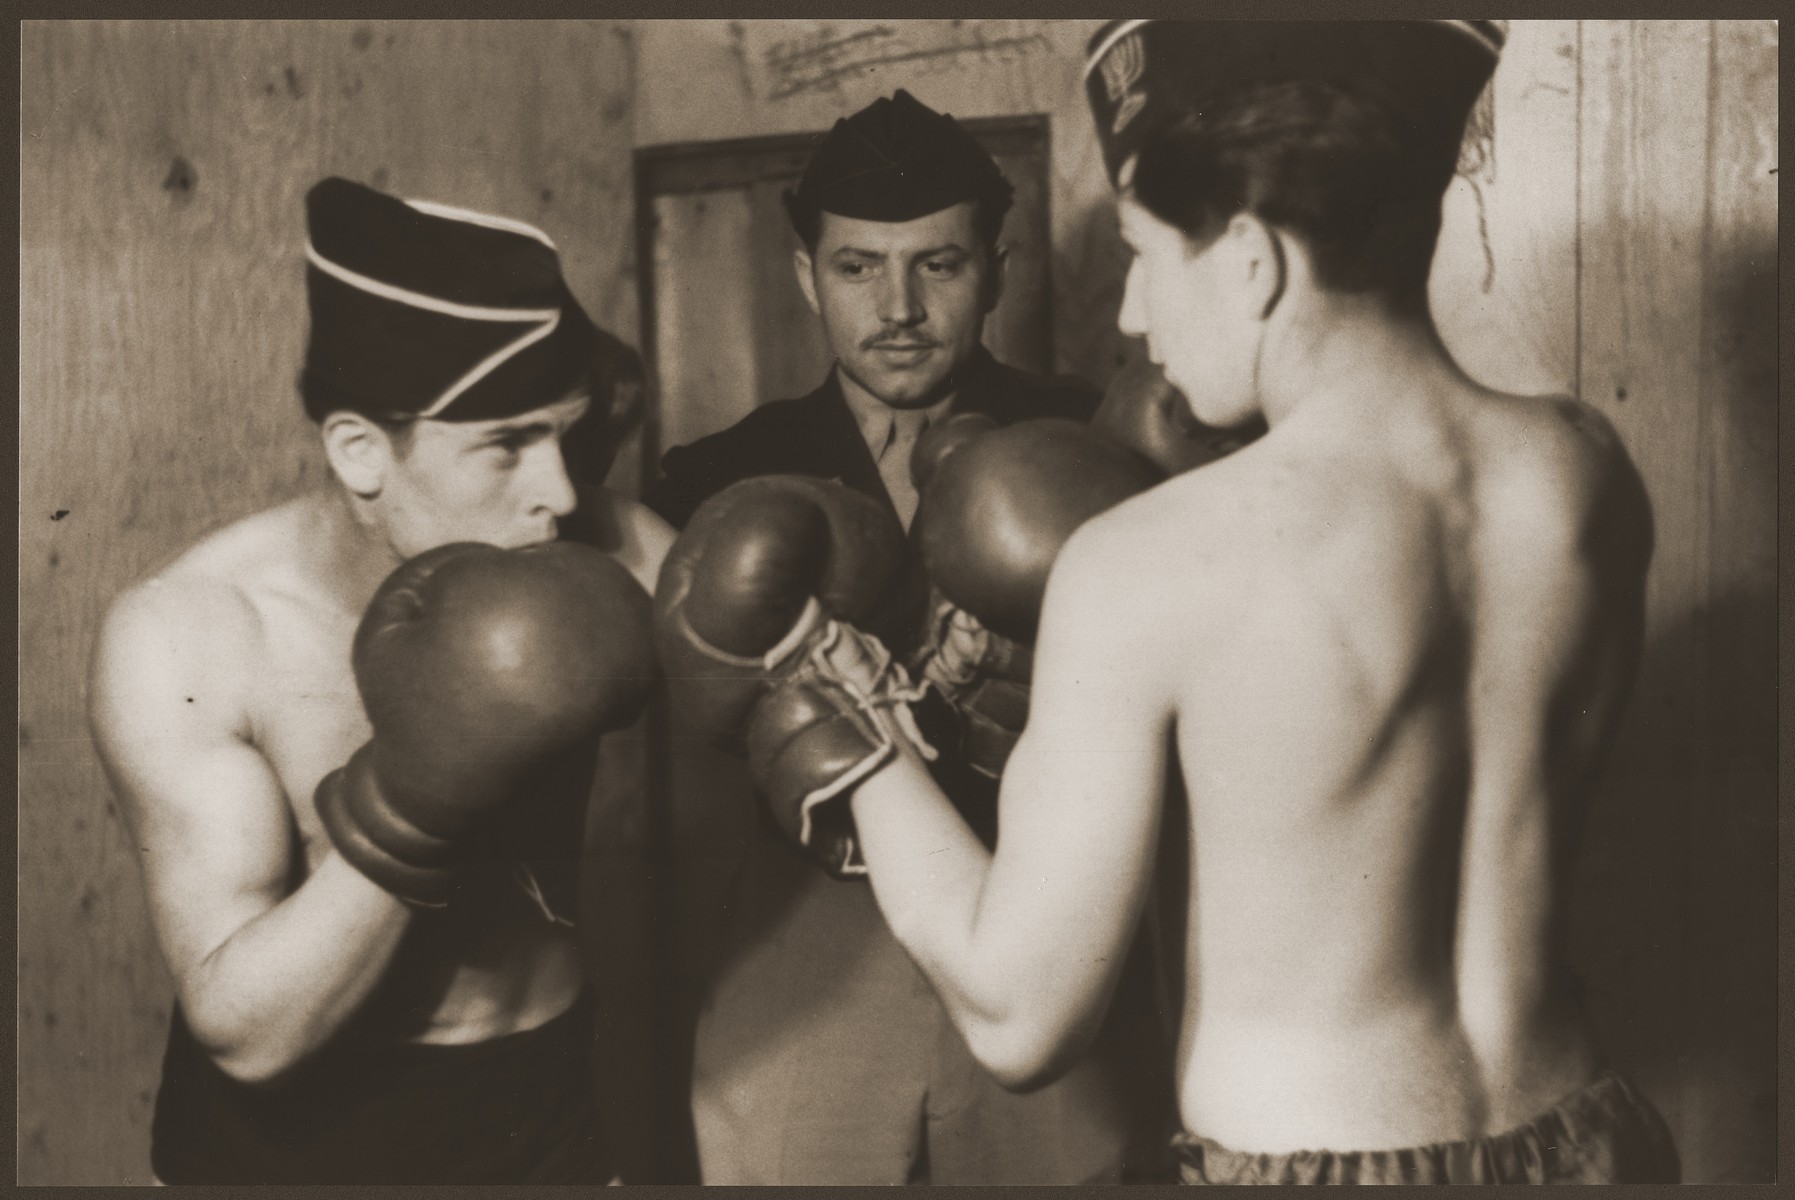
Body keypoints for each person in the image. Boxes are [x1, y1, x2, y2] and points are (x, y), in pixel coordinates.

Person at [814, 20, 1681, 1186]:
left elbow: (1020, 1018)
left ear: (1250, 260)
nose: (1129, 314)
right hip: (1592, 1136)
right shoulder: (1584, 471)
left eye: (1141, 252)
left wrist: (838, 717)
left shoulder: (1150, 563)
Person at [87, 177, 674, 1184]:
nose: (562, 491)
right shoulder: (193, 634)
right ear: (362, 451)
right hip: (290, 1145)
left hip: (548, 1108)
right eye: (506, 445)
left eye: (566, 434)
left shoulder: (610, 555)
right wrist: (415, 789)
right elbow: (245, 1034)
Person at [642, 89, 1173, 1185]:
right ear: (805, 279)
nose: (898, 306)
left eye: (937, 265)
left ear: (996, 273)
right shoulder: (715, 477)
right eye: (856, 268)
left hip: (1045, 913)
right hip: (802, 933)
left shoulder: (1084, 445)